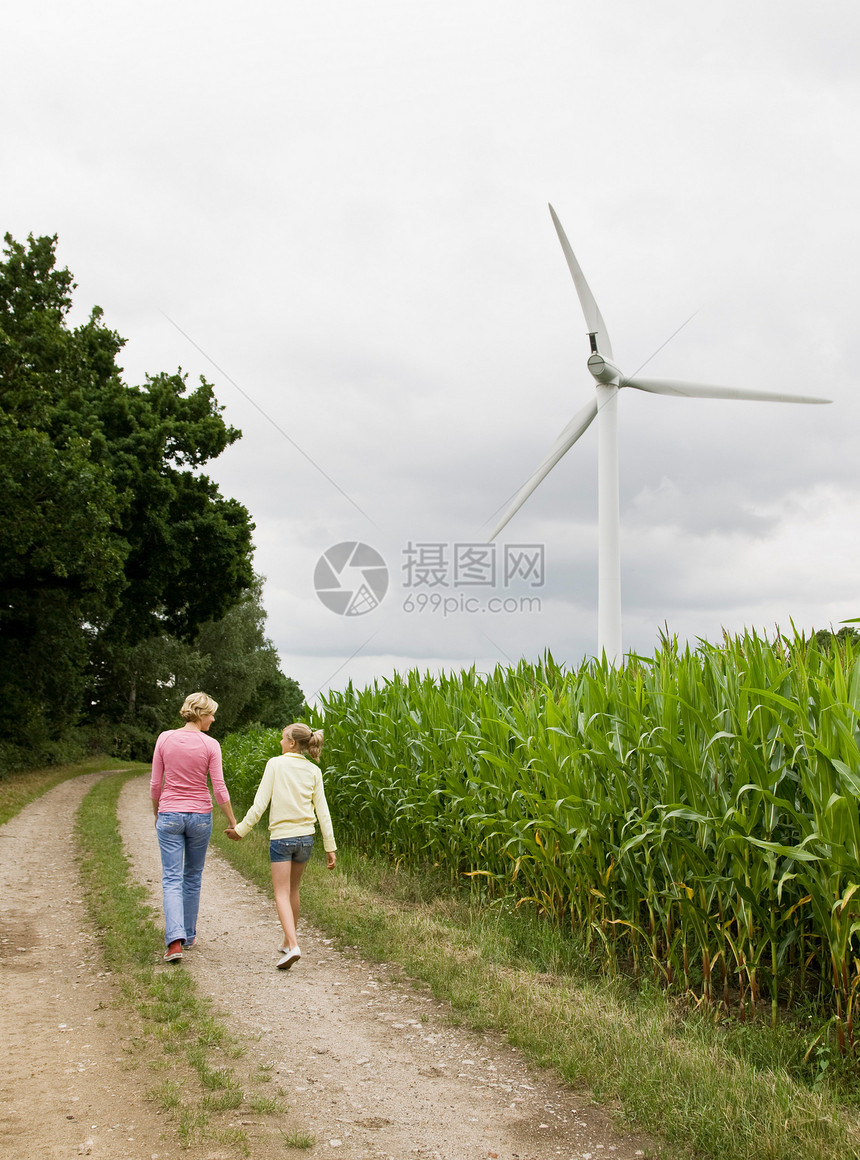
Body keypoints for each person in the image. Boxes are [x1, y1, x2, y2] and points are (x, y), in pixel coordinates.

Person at [226, 722, 337, 969]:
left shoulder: (275, 764)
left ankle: (294, 945)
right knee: (293, 890)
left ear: (291, 742)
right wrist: (330, 846)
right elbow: (323, 811)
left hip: (282, 839)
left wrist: (240, 831)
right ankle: (288, 941)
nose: (279, 742)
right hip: (306, 839)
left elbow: (259, 805)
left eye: (282, 738)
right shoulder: (314, 771)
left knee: (280, 893)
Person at [150, 691, 237, 962]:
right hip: (200, 817)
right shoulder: (211, 745)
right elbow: (219, 788)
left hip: (170, 814)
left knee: (172, 878)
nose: (213, 719)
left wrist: (157, 813)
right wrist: (232, 819)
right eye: (211, 714)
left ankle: (174, 941)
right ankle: (188, 935)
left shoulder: (165, 738)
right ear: (200, 714)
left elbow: (156, 784)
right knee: (193, 876)